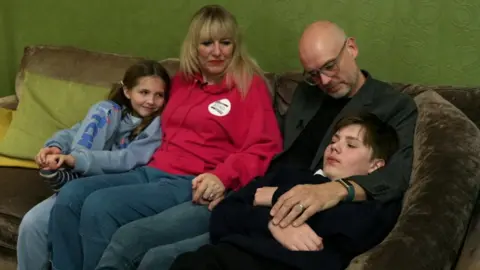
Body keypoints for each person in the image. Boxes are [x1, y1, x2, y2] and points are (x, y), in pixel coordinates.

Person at [95, 20, 418, 270]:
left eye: (330, 66)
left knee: (159, 258)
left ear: (352, 48)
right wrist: (232, 179)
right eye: (313, 74)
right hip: (254, 192)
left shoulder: (393, 106)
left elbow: (396, 177)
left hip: (287, 206)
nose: (324, 81)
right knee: (131, 239)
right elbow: (263, 150)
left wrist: (333, 191)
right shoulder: (307, 94)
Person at [48, 4, 283, 270]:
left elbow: (264, 148)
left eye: (225, 43)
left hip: (189, 182)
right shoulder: (182, 81)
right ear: (194, 46)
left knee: (100, 206)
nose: (217, 51)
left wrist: (223, 176)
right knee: (71, 194)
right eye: (207, 43)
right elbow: (141, 110)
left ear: (235, 45)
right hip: (151, 170)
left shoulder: (248, 87)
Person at [170, 112, 403, 270]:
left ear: (376, 166)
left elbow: (338, 236)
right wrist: (274, 223)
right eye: (334, 140)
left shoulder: (374, 203)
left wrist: (272, 199)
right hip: (221, 258)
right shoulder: (290, 175)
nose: (335, 147)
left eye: (351, 145)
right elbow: (224, 213)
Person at [16, 59, 171, 270]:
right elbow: (73, 132)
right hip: (82, 177)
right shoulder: (110, 113)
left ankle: (70, 175)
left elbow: (127, 159)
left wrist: (75, 160)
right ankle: (70, 176)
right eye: (143, 92)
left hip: (115, 186)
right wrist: (55, 148)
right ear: (127, 91)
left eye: (159, 95)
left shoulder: (157, 126)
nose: (151, 101)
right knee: (32, 224)